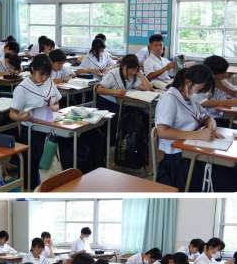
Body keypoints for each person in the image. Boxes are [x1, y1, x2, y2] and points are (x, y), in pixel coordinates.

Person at [155, 64, 237, 192]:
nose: (201, 95)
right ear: (188, 83)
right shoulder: (169, 99)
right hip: (178, 157)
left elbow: (206, 116)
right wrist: (198, 135)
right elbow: (162, 132)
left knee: (231, 169)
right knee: (226, 177)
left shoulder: (190, 99)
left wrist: (211, 125)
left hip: (194, 150)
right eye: (200, 90)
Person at [10, 54, 61, 189]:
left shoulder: (49, 82)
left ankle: (45, 188)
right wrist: (22, 117)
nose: (44, 78)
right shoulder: (22, 88)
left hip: (49, 130)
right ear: (33, 69)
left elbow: (57, 104)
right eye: (41, 74)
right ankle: (30, 190)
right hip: (31, 132)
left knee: (47, 165)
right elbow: (12, 113)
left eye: (47, 75)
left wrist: (54, 106)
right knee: (31, 168)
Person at [96, 54, 153, 145]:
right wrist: (115, 92)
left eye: (135, 70)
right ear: (124, 66)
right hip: (107, 102)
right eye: (131, 70)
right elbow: (98, 89)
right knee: (125, 116)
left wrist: (140, 75)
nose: (133, 73)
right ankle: (119, 141)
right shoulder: (113, 74)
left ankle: (136, 142)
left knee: (143, 114)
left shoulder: (134, 75)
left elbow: (149, 88)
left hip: (122, 102)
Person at [202, 55, 237, 123]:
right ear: (214, 74)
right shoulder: (201, 83)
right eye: (224, 72)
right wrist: (229, 102)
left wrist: (223, 88)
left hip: (220, 117)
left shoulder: (221, 81)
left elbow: (234, 93)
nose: (226, 74)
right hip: (207, 120)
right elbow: (202, 102)